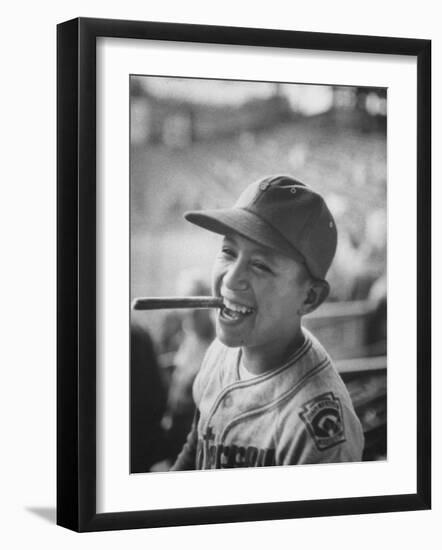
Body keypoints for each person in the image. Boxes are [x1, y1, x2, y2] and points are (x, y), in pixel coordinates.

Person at [171, 175, 364, 470]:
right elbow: (196, 447)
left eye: (260, 265)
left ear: (309, 297)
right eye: (228, 252)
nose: (232, 278)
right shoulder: (220, 352)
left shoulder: (318, 429)